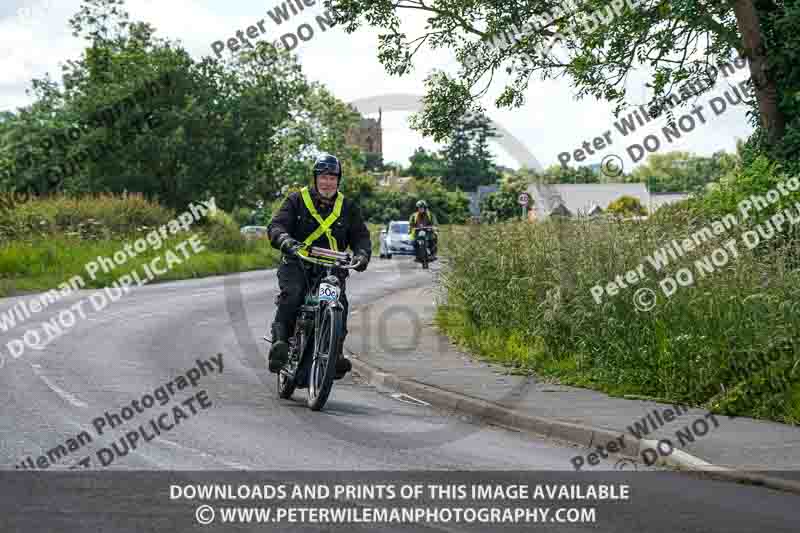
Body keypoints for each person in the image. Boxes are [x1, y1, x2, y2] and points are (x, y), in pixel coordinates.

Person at [266, 153, 371, 379]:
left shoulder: (348, 207)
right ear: (315, 179)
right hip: (298, 263)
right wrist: (284, 240)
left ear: (338, 180)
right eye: (323, 177)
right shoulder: (296, 200)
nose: (327, 182)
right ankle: (280, 345)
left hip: (332, 268)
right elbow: (276, 225)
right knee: (293, 295)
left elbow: (361, 236)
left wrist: (362, 255)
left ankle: (334, 354)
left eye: (332, 178)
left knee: (338, 304)